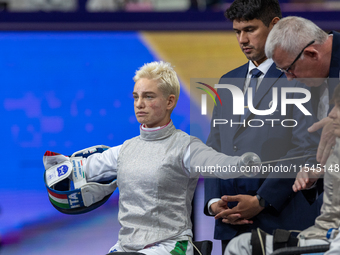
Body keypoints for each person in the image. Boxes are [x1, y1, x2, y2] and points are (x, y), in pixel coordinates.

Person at [43, 61, 259, 255]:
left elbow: (216, 163)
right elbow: (79, 169)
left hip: (171, 246)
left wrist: (241, 164)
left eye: (149, 96)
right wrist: (59, 168)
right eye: (136, 97)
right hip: (126, 247)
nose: (139, 104)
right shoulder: (125, 150)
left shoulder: (185, 146)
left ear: (170, 101)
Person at [204, 1, 321, 253]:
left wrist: (261, 200)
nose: (242, 39)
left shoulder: (298, 76)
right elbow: (213, 148)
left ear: (275, 26)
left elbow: (306, 149)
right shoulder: (228, 80)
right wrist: (215, 203)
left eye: (250, 29)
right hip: (231, 223)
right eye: (237, 32)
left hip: (282, 222)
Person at [225, 83, 340, 255]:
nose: (331, 114)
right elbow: (329, 218)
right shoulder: (336, 153)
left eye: (339, 106)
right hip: (328, 239)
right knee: (240, 245)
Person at [265, 16, 339, 169]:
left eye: (289, 69)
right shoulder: (314, 78)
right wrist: (311, 169)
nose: (290, 78)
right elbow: (314, 147)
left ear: (312, 54)